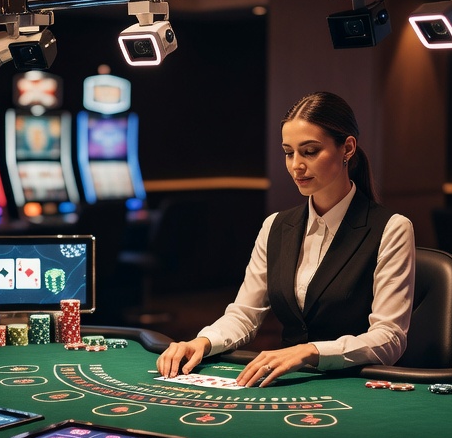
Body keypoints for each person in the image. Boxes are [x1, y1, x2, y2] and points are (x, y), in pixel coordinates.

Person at [156, 91, 415, 386]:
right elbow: (244, 314)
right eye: (289, 152)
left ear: (348, 148)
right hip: (290, 384)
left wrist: (311, 351)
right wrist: (202, 342)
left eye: (310, 151)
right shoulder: (275, 226)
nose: (296, 166)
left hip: (358, 384)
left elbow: (390, 338)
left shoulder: (392, 228)